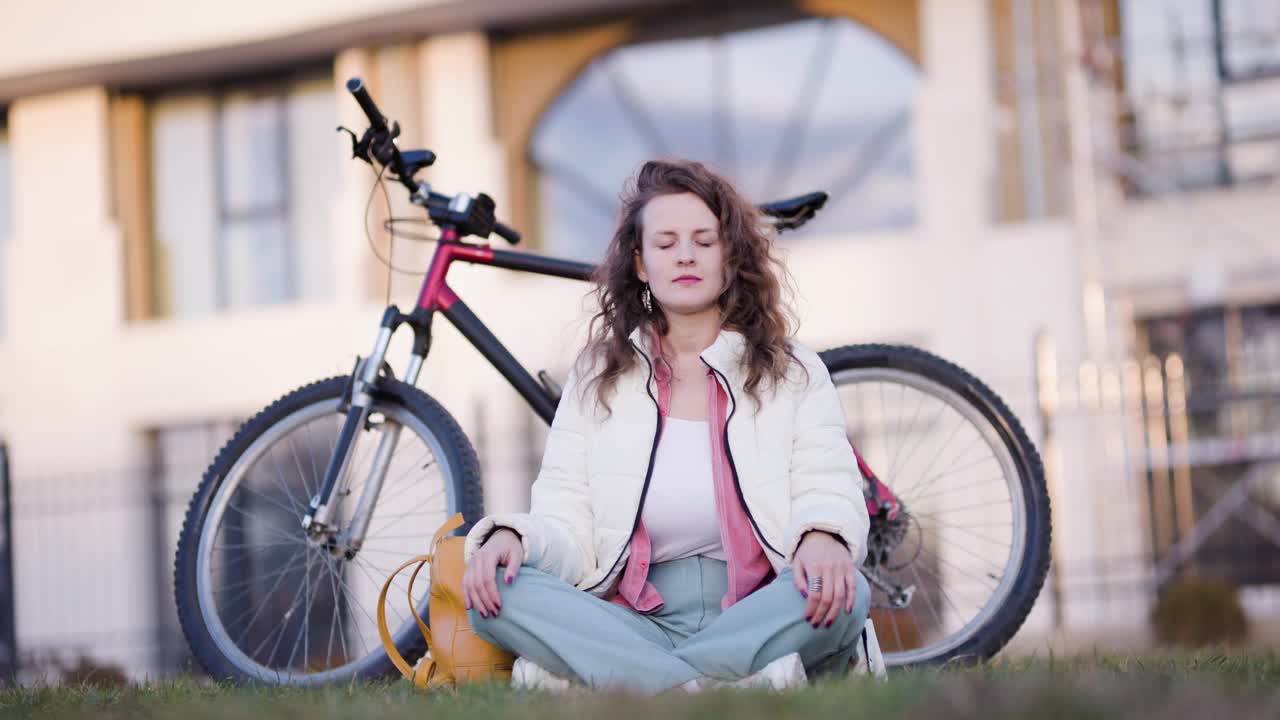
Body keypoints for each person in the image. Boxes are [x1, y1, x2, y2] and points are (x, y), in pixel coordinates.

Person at [461, 158, 870, 695]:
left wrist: (822, 534)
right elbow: (564, 515)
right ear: (639, 263)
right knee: (498, 594)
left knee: (847, 591)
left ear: (731, 257)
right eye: (666, 242)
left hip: (756, 606)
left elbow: (827, 477)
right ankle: (720, 686)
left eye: (704, 240)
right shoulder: (598, 378)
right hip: (632, 613)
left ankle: (627, 678)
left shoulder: (791, 370)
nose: (685, 255)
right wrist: (515, 538)